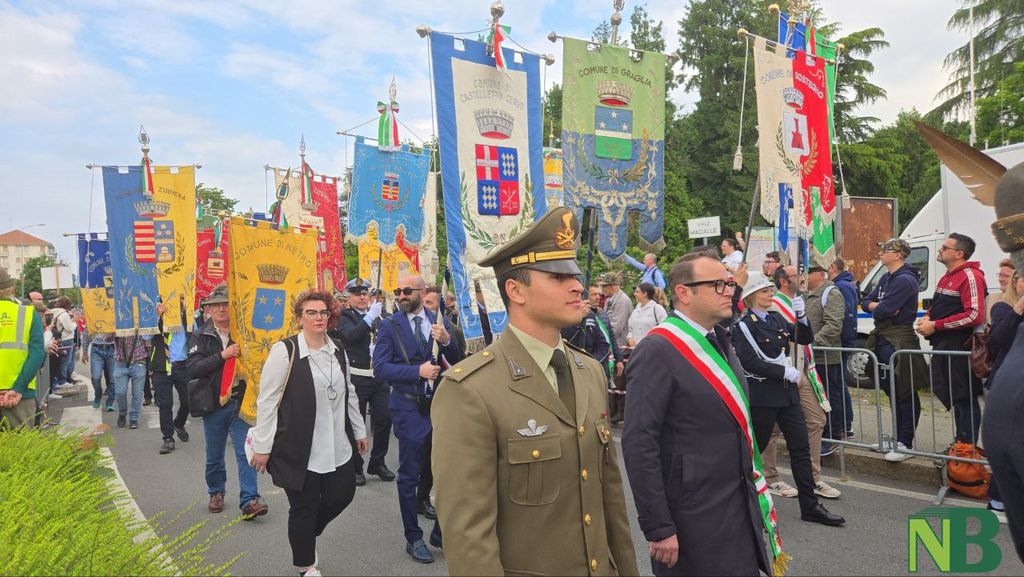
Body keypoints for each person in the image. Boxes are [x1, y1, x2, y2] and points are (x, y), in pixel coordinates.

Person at [432, 206, 638, 576]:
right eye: (558, 277)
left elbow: (610, 501)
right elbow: (469, 539)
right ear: (515, 290)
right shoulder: (471, 390)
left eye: (574, 275)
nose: (577, 286)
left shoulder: (589, 371)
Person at [623, 252, 779, 576]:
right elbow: (639, 443)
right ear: (684, 293)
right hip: (692, 517)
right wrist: (658, 526)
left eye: (730, 283)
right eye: (718, 284)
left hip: (736, 508)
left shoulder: (720, 339)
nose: (730, 291)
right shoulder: (657, 350)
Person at [251, 290, 368, 577]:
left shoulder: (338, 348)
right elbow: (267, 402)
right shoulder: (285, 351)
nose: (318, 318)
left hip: (337, 444)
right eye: (311, 313)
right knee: (303, 507)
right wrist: (262, 447)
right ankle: (305, 565)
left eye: (323, 312)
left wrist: (359, 430)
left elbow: (349, 392)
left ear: (330, 316)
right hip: (299, 447)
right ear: (299, 318)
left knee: (343, 494)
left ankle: (304, 535)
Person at [732, 272, 845, 527]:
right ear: (751, 296)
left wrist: (802, 316)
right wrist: (782, 371)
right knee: (754, 452)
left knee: (800, 449)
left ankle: (810, 506)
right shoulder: (744, 326)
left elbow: (804, 338)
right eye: (765, 291)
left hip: (787, 395)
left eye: (771, 290)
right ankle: (742, 501)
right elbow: (749, 362)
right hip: (764, 396)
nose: (771, 294)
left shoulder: (775, 318)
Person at [373, 274, 463, 564]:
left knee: (447, 472)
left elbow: (458, 360)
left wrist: (446, 340)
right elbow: (380, 368)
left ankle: (439, 531)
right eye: (398, 290)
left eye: (406, 290)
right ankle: (413, 537)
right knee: (410, 475)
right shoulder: (390, 326)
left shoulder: (439, 322)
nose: (400, 295)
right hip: (408, 407)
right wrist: (416, 372)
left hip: (439, 407)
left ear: (423, 293)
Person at [186, 284, 268, 519]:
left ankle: (250, 500)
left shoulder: (244, 332)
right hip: (214, 405)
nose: (221, 309)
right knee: (214, 455)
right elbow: (192, 369)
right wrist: (223, 355)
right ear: (208, 310)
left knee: (246, 452)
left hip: (242, 403)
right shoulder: (200, 335)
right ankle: (216, 492)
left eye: (225, 304)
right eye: (216, 306)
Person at [759, 266, 840, 500]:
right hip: (783, 372)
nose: (803, 278)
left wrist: (802, 316)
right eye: (798, 275)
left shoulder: (799, 302)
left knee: (816, 419)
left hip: (803, 369)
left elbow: (806, 336)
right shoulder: (773, 304)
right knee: (772, 428)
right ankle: (770, 477)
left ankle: (813, 478)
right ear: (784, 281)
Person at [916, 233, 987, 445]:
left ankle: (967, 450)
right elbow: (938, 306)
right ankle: (960, 445)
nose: (940, 250)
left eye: (945, 247)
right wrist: (927, 317)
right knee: (957, 398)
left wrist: (935, 325)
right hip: (944, 345)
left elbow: (974, 315)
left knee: (965, 398)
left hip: (960, 347)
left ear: (959, 253)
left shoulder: (971, 276)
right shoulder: (947, 275)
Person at [862, 239, 927, 462]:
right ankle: (896, 437)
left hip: (899, 339)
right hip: (883, 337)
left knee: (904, 389)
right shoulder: (886, 277)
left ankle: (905, 442)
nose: (881, 252)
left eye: (886, 250)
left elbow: (885, 309)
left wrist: (880, 308)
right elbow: (866, 302)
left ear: (898, 255)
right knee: (891, 389)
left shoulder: (905, 279)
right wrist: (878, 307)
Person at [335, 277, 392, 487]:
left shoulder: (379, 315)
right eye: (356, 294)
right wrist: (369, 317)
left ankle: (378, 462)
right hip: (357, 377)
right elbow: (349, 336)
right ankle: (355, 467)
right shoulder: (345, 316)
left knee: (384, 419)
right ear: (349, 297)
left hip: (378, 376)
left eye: (364, 293)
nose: (361, 297)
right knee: (355, 423)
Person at [806, 265, 847, 456]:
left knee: (830, 397)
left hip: (825, 357)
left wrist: (813, 344)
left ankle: (832, 437)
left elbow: (833, 325)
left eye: (807, 272)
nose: (803, 276)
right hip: (811, 357)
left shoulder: (831, 293)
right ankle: (820, 435)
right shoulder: (807, 295)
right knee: (815, 399)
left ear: (819, 274)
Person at [0, 268, 45, 428]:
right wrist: (18, 388)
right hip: (19, 395)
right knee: (21, 442)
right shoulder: (28, 314)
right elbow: (37, 354)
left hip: (16, 393)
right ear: (12, 289)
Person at [151, 297, 191, 454]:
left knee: (188, 400)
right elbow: (146, 336)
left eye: (181, 297)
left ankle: (179, 423)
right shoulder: (155, 313)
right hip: (161, 366)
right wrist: (157, 317)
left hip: (182, 365)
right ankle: (168, 438)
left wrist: (186, 312)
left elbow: (195, 333)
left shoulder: (187, 315)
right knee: (165, 404)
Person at [828, 257, 858, 437]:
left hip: (841, 342)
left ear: (832, 268)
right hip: (842, 341)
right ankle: (845, 423)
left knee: (839, 383)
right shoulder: (843, 284)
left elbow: (846, 316)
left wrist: (845, 341)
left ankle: (846, 424)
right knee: (839, 383)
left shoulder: (842, 286)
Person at [112, 331, 151, 430]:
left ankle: (134, 418)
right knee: (120, 392)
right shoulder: (116, 322)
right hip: (120, 362)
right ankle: (122, 413)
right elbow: (107, 338)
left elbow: (149, 336)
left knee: (137, 393)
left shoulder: (142, 322)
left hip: (139, 361)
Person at [600, 272, 633, 349]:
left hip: (619, 346)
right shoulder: (608, 300)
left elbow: (616, 328)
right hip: (610, 343)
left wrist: (601, 337)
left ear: (612, 286)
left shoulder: (623, 300)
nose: (602, 289)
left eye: (604, 286)